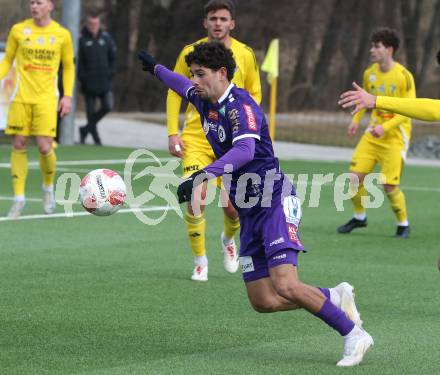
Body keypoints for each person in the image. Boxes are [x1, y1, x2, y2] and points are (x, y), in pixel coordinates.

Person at [138, 42, 374, 366]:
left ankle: (354, 335)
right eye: (193, 73)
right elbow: (179, 85)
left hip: (274, 200)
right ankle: (333, 296)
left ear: (222, 74)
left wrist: (203, 175)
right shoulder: (203, 98)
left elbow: (246, 151)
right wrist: (156, 69)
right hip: (249, 210)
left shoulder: (241, 107)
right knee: (263, 300)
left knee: (286, 284)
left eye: (200, 74)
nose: (194, 80)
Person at [166, 0, 262, 281]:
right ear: (204, 23)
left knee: (232, 207)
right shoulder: (190, 53)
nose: (217, 23)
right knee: (197, 197)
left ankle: (228, 240)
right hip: (196, 137)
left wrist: (249, 129)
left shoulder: (244, 54)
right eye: (212, 18)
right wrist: (173, 131)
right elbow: (174, 91)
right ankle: (200, 260)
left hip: (230, 142)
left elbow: (255, 93)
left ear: (232, 23)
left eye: (223, 19)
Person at [337, 28, 415, 238]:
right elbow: (363, 99)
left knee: (389, 185)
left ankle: (403, 224)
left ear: (389, 50)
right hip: (373, 134)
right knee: (353, 178)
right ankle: (360, 217)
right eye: (372, 46)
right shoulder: (369, 73)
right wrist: (355, 120)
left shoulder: (403, 76)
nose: (372, 50)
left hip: (395, 137)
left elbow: (409, 111)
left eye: (376, 46)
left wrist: (385, 127)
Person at [0, 0, 75, 218]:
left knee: (44, 146)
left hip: (46, 99)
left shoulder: (62, 34)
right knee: (19, 143)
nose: (34, 6)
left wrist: (68, 96)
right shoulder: (19, 30)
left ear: (50, 6)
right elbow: (7, 61)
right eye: (32, 2)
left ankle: (47, 187)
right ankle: (18, 198)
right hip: (21, 98)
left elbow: (69, 66)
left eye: (39, 2)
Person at [78, 14, 116, 145]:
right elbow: (79, 63)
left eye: (96, 24)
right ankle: (96, 139)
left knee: (108, 106)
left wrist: (110, 73)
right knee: (90, 113)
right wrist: (83, 78)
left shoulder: (106, 38)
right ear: (87, 25)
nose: (94, 27)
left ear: (99, 24)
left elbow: (113, 58)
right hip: (88, 84)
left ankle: (84, 130)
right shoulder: (81, 40)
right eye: (91, 24)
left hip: (105, 82)